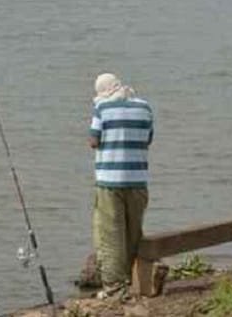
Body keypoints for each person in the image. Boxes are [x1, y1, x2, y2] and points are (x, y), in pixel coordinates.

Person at [87, 73, 154, 299]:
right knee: (133, 232)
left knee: (111, 234)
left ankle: (115, 288)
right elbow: (148, 139)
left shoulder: (102, 109)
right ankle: (133, 278)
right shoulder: (145, 107)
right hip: (138, 181)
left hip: (109, 182)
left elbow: (93, 141)